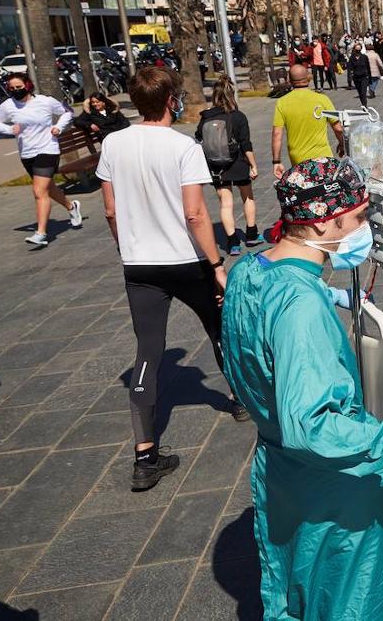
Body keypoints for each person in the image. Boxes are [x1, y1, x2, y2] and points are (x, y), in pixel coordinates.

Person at [220, 157, 383, 620]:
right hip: (337, 495)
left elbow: (253, 343)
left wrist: (322, 293)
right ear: (325, 224)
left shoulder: (247, 272)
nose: (361, 231)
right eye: (356, 219)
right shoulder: (300, 309)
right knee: (348, 602)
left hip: (285, 478)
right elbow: (313, 428)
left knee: (301, 588)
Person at [97, 66, 250, 491]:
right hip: (185, 260)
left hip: (139, 264)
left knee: (147, 351)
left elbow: (110, 209)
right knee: (219, 327)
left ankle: (145, 455)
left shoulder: (113, 143)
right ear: (171, 101)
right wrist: (216, 265)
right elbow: (196, 213)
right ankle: (240, 400)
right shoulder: (183, 147)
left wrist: (124, 244)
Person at [0, 72, 81, 247]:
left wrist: (58, 127)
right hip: (27, 153)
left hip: (48, 149)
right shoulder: (8, 105)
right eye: (12, 88)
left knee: (39, 192)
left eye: (19, 87)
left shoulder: (45, 101)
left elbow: (67, 112)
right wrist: (9, 130)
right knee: (48, 188)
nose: (16, 91)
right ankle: (72, 207)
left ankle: (41, 233)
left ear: (28, 85)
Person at [196, 75, 261, 256]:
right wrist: (253, 165)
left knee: (225, 204)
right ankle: (251, 233)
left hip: (217, 167)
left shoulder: (205, 117)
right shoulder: (238, 117)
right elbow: (245, 144)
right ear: (232, 95)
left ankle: (232, 243)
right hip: (238, 163)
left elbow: (199, 137)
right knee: (247, 197)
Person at [271, 65, 346, 179]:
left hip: (298, 161)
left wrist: (276, 161)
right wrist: (342, 144)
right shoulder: (322, 99)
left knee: (306, 193)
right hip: (323, 158)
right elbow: (338, 128)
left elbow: (277, 134)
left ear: (289, 80)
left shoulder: (282, 102)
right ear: (308, 78)